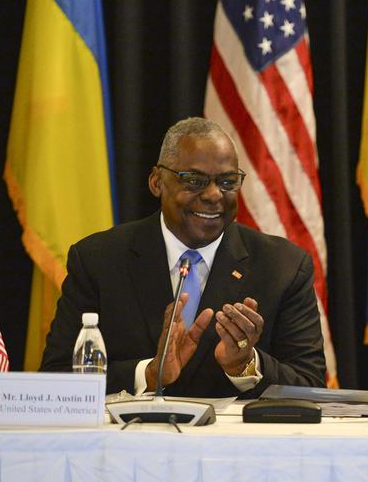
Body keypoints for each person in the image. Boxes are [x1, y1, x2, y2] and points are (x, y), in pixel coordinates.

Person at [40, 117, 326, 397]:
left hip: (233, 444)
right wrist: (148, 375)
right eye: (194, 180)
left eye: (228, 181)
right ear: (156, 182)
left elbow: (310, 387)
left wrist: (245, 365)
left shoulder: (284, 266)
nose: (214, 194)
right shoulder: (99, 260)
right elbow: (57, 378)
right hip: (132, 442)